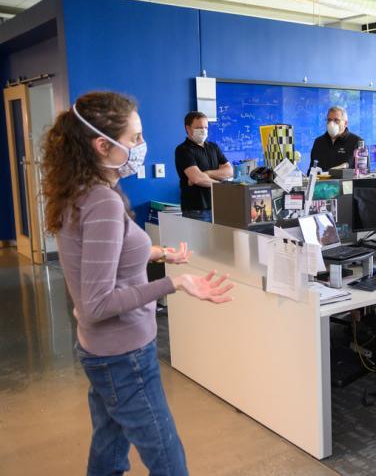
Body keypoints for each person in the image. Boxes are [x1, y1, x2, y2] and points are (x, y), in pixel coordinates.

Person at [41, 91, 233, 475]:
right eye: (134, 138)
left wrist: (160, 254)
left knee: (109, 448)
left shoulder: (81, 191)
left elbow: (101, 257)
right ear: (102, 145)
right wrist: (174, 284)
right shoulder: (102, 202)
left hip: (102, 350)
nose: (140, 147)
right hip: (123, 353)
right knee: (168, 460)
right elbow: (98, 302)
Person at [175, 111, 233, 222]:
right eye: (199, 128)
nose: (204, 131)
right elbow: (196, 179)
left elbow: (229, 171)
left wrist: (207, 173)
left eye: (206, 127)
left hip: (218, 208)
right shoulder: (183, 150)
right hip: (196, 211)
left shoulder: (213, 147)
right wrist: (222, 185)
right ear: (188, 128)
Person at [308, 106, 363, 172]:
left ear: (345, 123)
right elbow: (311, 171)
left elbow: (363, 172)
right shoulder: (319, 142)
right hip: (321, 182)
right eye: (329, 120)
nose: (332, 123)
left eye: (336, 120)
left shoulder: (357, 142)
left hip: (346, 182)